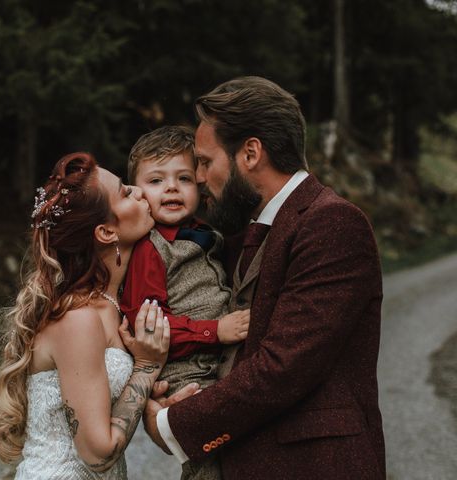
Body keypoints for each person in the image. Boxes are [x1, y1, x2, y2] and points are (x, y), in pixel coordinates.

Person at [144, 76, 386, 479]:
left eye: (205, 161)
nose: (199, 178)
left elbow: (284, 367)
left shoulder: (332, 223)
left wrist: (171, 424)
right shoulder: (241, 231)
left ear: (251, 153)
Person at [0, 152, 181, 479]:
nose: (140, 190)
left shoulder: (112, 304)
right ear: (106, 233)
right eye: (125, 192)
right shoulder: (79, 317)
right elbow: (97, 455)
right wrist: (146, 368)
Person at [120, 126, 251, 480]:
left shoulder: (205, 233)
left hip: (216, 361)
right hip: (185, 371)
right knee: (208, 461)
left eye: (184, 178)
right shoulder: (149, 248)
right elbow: (148, 326)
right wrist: (215, 330)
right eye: (157, 180)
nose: (172, 187)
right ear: (137, 192)